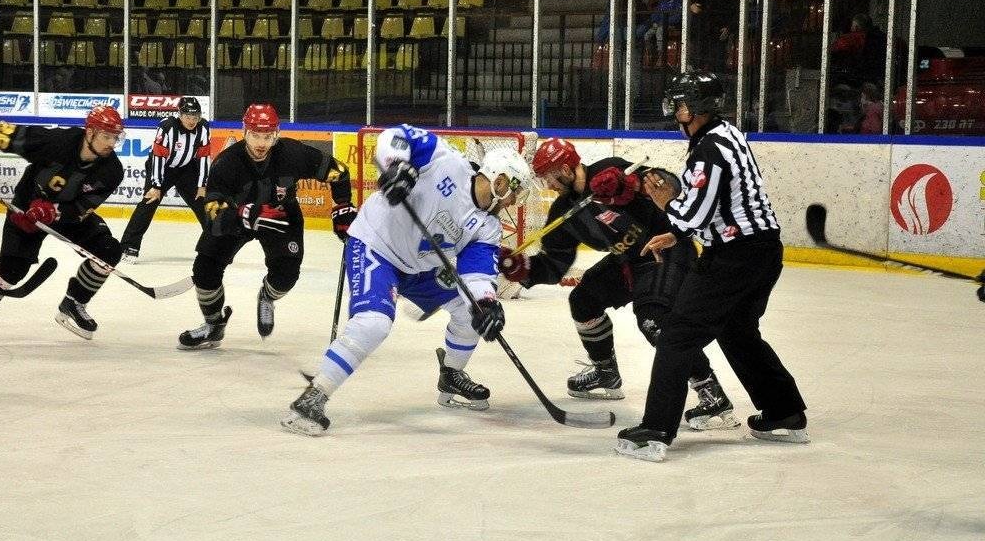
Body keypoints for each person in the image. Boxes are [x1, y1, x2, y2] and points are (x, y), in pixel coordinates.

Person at [283, 125, 534, 436]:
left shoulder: (487, 226)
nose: (513, 202)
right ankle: (313, 397)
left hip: (420, 267)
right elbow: (397, 136)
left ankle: (452, 374)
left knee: (471, 310)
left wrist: (486, 302)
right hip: (377, 246)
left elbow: (477, 273)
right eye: (515, 192)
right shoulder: (447, 161)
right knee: (374, 323)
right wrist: (397, 165)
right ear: (500, 181)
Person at [615, 70, 809, 461]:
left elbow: (695, 215)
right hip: (763, 252)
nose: (675, 110)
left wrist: (666, 204)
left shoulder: (708, 151)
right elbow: (716, 208)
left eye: (679, 103)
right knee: (738, 331)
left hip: (734, 258)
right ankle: (783, 411)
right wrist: (676, 234)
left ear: (695, 108)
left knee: (677, 334)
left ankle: (656, 430)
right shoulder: (727, 134)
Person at [500, 138, 737, 429]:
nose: (548, 185)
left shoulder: (610, 170)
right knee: (583, 300)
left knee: (654, 320)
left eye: (550, 176)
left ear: (566, 169)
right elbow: (555, 265)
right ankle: (606, 373)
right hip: (628, 261)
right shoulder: (563, 211)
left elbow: (670, 186)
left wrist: (631, 184)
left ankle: (712, 393)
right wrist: (523, 269)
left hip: (665, 249)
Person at [0, 105, 126, 345]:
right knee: (11, 271)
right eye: (106, 136)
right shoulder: (56, 142)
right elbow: (1, 131)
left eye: (115, 137)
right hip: (25, 211)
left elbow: (82, 208)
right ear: (90, 132)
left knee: (108, 252)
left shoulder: (112, 171)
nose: (111, 143)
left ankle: (74, 302)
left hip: (63, 216)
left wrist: (52, 212)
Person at [177, 103, 356, 348]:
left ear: (277, 134)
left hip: (281, 216)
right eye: (255, 135)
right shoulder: (226, 163)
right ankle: (213, 325)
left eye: (268, 136)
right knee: (205, 268)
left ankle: (267, 297)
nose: (261, 143)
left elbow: (340, 172)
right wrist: (242, 214)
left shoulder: (293, 154)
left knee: (286, 276)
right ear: (244, 132)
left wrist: (342, 207)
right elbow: (213, 213)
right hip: (238, 218)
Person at [120, 97, 211, 262]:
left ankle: (214, 247)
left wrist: (202, 185)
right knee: (149, 202)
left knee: (203, 203)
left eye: (195, 116)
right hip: (163, 168)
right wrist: (156, 185)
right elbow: (158, 156)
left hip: (187, 169)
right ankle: (128, 246)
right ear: (180, 115)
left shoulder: (203, 127)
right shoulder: (167, 127)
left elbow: (204, 156)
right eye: (188, 116)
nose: (192, 120)